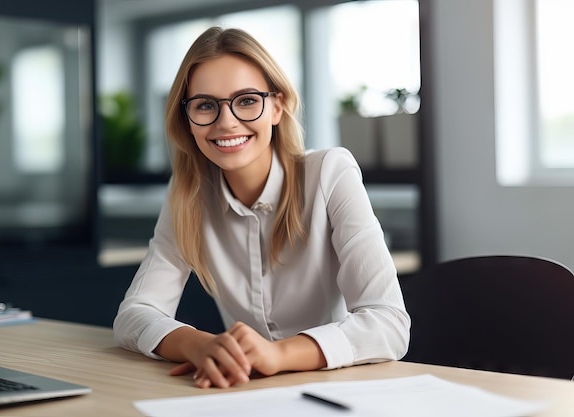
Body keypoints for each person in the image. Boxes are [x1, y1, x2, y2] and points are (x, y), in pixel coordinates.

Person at [113, 26, 410, 389]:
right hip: (245, 389)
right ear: (187, 120)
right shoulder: (189, 194)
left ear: (277, 105)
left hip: (336, 386)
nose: (226, 121)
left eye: (247, 100)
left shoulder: (330, 172)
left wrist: (279, 354)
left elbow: (388, 324)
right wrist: (199, 344)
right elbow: (133, 315)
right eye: (206, 105)